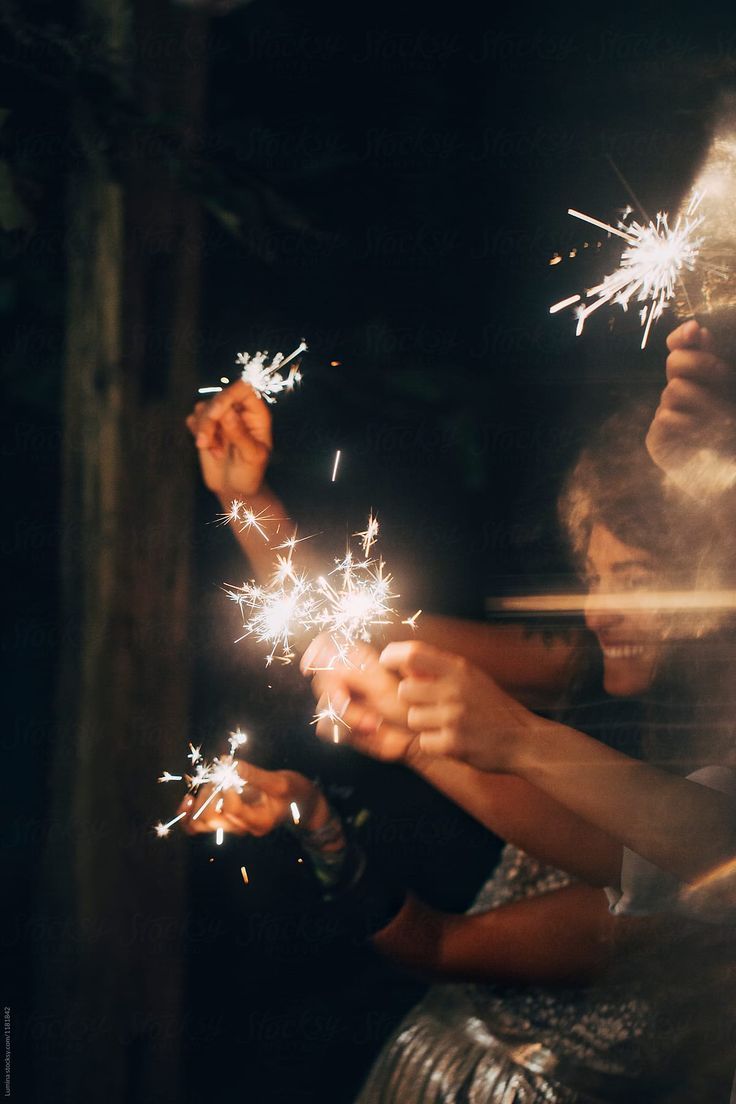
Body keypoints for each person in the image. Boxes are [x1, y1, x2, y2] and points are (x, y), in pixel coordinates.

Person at [183, 380, 723, 1100]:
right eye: (591, 575)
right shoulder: (587, 664)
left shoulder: (702, 847)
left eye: (633, 579)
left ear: (711, 582)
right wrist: (245, 500)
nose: (596, 612)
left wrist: (334, 807)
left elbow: (441, 942)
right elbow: (356, 622)